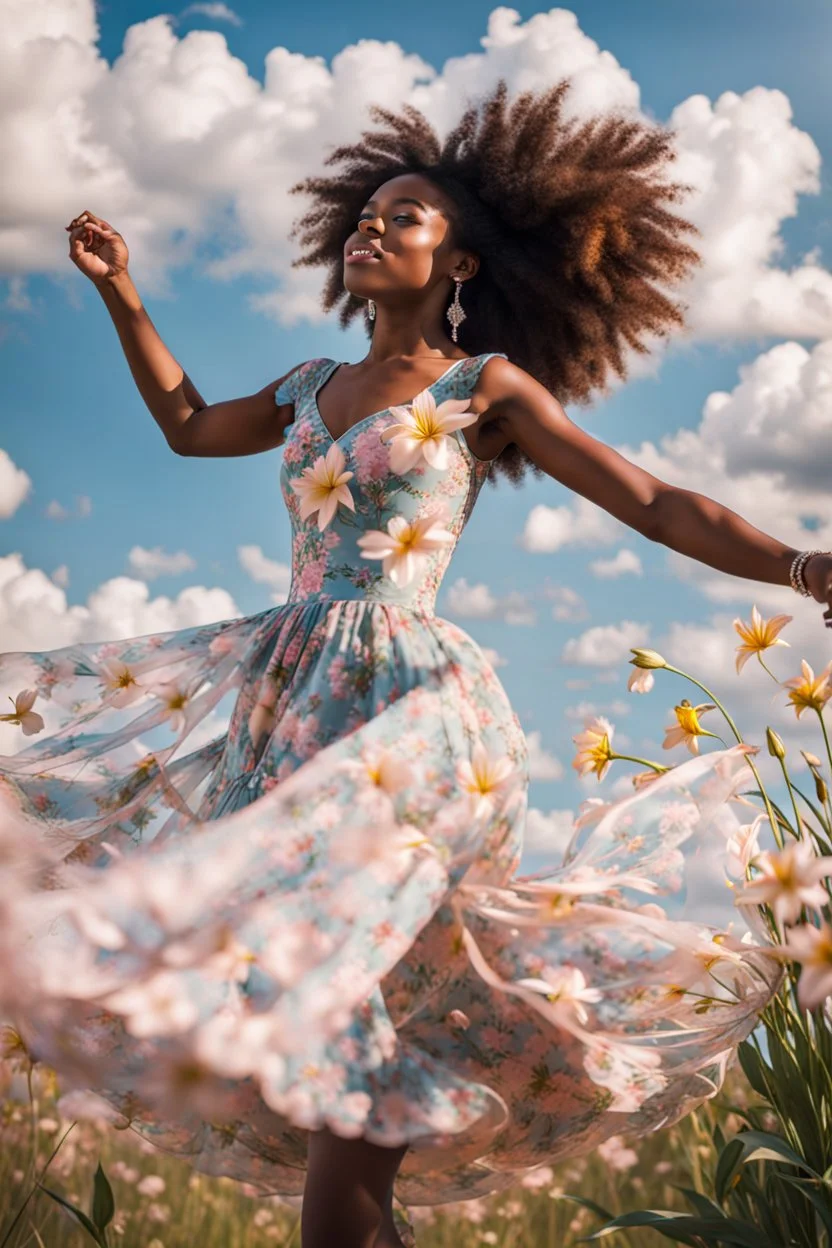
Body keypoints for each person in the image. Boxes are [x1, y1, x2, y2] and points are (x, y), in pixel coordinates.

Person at [3, 79, 830, 1248]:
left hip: (413, 716)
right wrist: (122, 291)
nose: (373, 227)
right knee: (338, 1106)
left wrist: (800, 567)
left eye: (406, 217)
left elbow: (650, 503)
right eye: (367, 212)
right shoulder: (306, 389)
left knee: (352, 1065)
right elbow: (187, 427)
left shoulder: (477, 387)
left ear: (460, 267)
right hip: (291, 714)